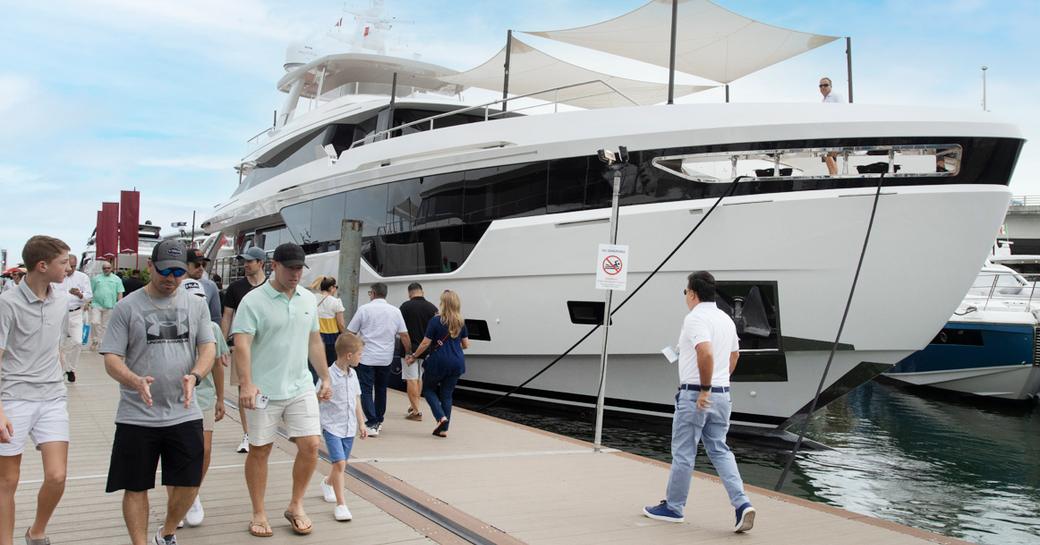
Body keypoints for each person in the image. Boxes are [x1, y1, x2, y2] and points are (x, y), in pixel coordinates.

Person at [100, 239, 216, 545]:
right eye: (165, 271)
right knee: (135, 486)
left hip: (184, 409)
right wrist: (134, 380)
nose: (172, 278)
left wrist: (195, 375)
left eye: (179, 272)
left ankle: (166, 532)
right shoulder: (127, 307)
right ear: (150, 266)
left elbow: (208, 347)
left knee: (190, 483)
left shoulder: (196, 304)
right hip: (138, 414)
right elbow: (111, 358)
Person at [642, 271, 755, 533]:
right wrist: (719, 383)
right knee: (719, 449)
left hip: (696, 394)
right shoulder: (725, 318)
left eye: (685, 292)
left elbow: (704, 351)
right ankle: (742, 504)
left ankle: (673, 507)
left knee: (684, 451)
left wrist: (705, 389)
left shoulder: (695, 318)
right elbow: (735, 355)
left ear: (692, 293)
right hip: (723, 393)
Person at [232, 242, 332, 538]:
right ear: (273, 265)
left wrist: (325, 377)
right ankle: (258, 511)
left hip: (299, 385)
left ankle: (296, 505)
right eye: (290, 268)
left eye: (300, 268)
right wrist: (246, 383)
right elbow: (242, 344)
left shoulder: (307, 299)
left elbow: (315, 340)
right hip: (264, 390)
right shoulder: (253, 301)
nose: (296, 274)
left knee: (311, 445)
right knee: (260, 450)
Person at [0, 236, 72, 545]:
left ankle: (36, 531)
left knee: (57, 476)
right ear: (42, 266)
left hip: (52, 397)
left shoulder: (62, 299)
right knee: (7, 482)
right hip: (13, 398)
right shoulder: (7, 304)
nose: (69, 267)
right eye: (63, 262)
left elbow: (55, 343)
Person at [178, 279, 227, 528]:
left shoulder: (213, 329)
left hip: (204, 396)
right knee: (177, 451)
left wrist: (221, 397)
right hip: (175, 397)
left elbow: (218, 365)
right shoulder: (172, 323)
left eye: (200, 298)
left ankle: (192, 492)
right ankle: (176, 500)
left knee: (204, 449)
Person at [221, 246, 268, 454]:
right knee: (243, 389)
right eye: (245, 261)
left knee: (267, 389)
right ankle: (248, 434)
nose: (246, 264)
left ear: (261, 263)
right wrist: (222, 345)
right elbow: (227, 316)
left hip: (267, 347)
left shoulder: (272, 287)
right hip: (242, 346)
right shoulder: (235, 288)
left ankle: (264, 432)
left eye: (250, 261)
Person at [347, 282, 410, 437]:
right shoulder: (395, 311)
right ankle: (379, 419)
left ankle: (372, 421)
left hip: (366, 357)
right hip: (385, 358)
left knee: (366, 389)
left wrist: (350, 351)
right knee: (381, 389)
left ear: (372, 293)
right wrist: (409, 352)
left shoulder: (364, 309)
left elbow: (350, 332)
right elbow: (404, 335)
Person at [318, 333, 367, 521]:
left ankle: (327, 483)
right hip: (332, 426)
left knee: (341, 465)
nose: (361, 357)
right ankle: (341, 505)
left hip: (349, 427)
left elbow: (356, 399)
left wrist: (362, 422)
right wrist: (321, 396)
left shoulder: (353, 374)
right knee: (339, 463)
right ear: (349, 355)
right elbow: (316, 394)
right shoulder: (328, 375)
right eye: (360, 354)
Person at [405, 290, 468, 438]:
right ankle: (444, 429)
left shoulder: (436, 321)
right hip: (457, 362)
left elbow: (426, 342)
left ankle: (440, 417)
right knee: (447, 395)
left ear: (443, 304)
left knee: (428, 390)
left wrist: (414, 356)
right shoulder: (461, 322)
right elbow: (465, 344)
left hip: (438, 361)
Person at [398, 282, 438, 421]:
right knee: (419, 378)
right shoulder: (432, 308)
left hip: (409, 349)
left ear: (409, 293)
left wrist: (409, 351)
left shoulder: (405, 307)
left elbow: (401, 330)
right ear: (422, 292)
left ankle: (415, 411)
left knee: (411, 379)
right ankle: (415, 405)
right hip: (426, 349)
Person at [52, 254, 92, 383]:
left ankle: (70, 368)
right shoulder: (56, 277)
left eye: (74, 266)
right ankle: (61, 370)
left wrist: (80, 294)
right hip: (59, 313)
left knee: (77, 341)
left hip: (75, 313)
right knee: (58, 343)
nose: (70, 269)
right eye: (69, 266)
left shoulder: (82, 277)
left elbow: (89, 295)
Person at [310, 275, 346, 368]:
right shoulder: (335, 302)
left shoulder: (312, 298)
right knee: (331, 366)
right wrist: (343, 335)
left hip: (315, 335)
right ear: (331, 288)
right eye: (335, 287)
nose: (336, 290)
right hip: (331, 338)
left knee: (315, 365)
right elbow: (341, 324)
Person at [89, 260, 124, 351]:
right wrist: (87, 303)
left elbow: (120, 292)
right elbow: (90, 291)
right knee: (95, 322)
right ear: (102, 269)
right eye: (104, 268)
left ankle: (102, 342)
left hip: (110, 305)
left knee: (106, 326)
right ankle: (95, 340)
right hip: (96, 304)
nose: (106, 270)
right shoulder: (96, 278)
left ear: (111, 268)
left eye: (108, 268)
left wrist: (119, 304)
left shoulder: (117, 279)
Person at [184, 249, 221, 325]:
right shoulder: (175, 285)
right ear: (185, 265)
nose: (201, 268)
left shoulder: (210, 286)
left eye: (203, 264)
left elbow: (216, 317)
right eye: (197, 265)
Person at [819, 77, 843, 175]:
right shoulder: (824, 100)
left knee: (827, 153)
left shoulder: (836, 96)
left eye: (825, 85)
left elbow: (842, 111)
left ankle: (834, 175)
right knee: (828, 155)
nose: (823, 87)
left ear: (831, 86)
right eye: (821, 85)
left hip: (834, 131)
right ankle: (833, 175)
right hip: (827, 132)